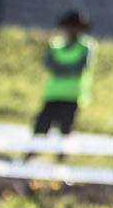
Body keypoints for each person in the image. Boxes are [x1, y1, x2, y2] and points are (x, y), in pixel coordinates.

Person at [31, 8, 95, 140]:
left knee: (66, 129)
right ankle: (30, 155)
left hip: (72, 95)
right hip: (53, 93)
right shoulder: (55, 46)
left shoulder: (86, 47)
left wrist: (60, 69)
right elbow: (48, 65)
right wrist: (68, 69)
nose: (73, 30)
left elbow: (81, 68)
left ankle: (62, 157)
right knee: (41, 127)